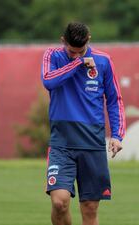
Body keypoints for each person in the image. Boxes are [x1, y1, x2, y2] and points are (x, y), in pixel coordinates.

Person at [41, 22, 126, 225]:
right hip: (62, 143)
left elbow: (114, 100)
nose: (76, 55)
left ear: (89, 39)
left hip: (92, 143)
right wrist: (77, 63)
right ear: (63, 41)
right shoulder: (53, 55)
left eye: (80, 51)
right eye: (71, 51)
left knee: (90, 209)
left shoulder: (104, 61)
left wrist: (117, 134)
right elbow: (48, 80)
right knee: (59, 203)